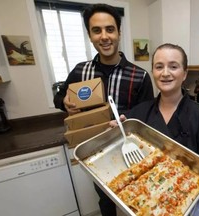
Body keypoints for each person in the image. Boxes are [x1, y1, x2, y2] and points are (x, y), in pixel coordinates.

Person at [53, 3, 154, 216]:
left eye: (110, 29)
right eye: (96, 30)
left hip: (130, 149)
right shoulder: (81, 71)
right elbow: (59, 96)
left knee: (140, 197)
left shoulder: (139, 76)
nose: (104, 36)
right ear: (90, 36)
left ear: (119, 32)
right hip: (95, 152)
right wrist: (65, 102)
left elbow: (148, 115)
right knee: (105, 200)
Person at [110, 43, 199, 186]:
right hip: (143, 193)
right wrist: (116, 134)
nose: (165, 73)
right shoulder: (137, 114)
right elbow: (122, 157)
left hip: (184, 196)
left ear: (185, 74)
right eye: (159, 67)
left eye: (173, 66)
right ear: (153, 72)